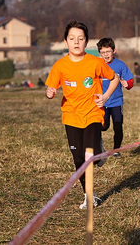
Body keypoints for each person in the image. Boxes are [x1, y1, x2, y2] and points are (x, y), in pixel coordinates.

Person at [45, 20, 120, 209]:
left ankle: (97, 151)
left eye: (80, 38)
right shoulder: (60, 65)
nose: (76, 42)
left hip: (93, 113)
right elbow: (51, 87)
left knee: (88, 156)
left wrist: (105, 96)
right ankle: (89, 195)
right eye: (72, 38)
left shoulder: (95, 62)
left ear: (86, 42)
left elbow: (114, 78)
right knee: (78, 159)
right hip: (71, 115)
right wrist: (50, 93)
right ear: (65, 42)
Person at [97, 37, 134, 158]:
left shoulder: (120, 65)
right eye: (103, 52)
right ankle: (99, 145)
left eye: (108, 51)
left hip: (117, 101)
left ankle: (116, 150)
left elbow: (130, 80)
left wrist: (127, 84)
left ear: (114, 51)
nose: (106, 55)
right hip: (102, 102)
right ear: (99, 53)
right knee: (104, 126)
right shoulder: (98, 65)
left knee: (118, 126)